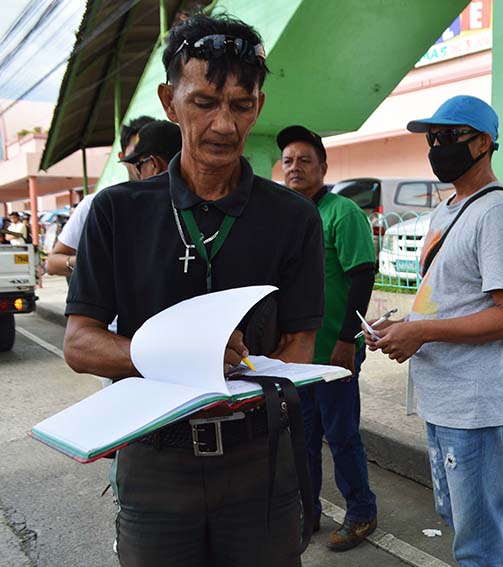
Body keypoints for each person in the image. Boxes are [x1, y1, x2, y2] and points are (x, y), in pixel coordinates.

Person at [62, 14, 325, 567]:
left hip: (260, 462)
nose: (224, 124)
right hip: (154, 463)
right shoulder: (116, 212)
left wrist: (244, 375)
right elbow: (80, 345)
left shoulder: (293, 218)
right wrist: (178, 355)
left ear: (259, 102)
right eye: (204, 102)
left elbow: (301, 344)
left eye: (241, 104)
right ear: (169, 100)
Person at [365, 95, 503, 566]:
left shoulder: (497, 214)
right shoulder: (450, 209)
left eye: (449, 137)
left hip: (474, 407)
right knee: (460, 525)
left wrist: (423, 334)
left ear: (483, 143)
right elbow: (448, 295)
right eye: (431, 138)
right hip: (444, 401)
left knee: (478, 545)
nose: (437, 146)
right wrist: (405, 326)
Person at [277, 125, 378, 550]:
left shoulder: (342, 213)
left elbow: (361, 277)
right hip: (296, 357)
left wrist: (345, 341)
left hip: (333, 351)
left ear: (322, 166)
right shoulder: (285, 217)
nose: (295, 167)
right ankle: (309, 511)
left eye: (304, 160)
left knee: (341, 436)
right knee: (301, 441)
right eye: (288, 161)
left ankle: (361, 513)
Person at [47, 120, 182, 278]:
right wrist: (93, 262)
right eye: (136, 155)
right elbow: (52, 263)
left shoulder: (187, 204)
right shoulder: (100, 204)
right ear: (123, 157)